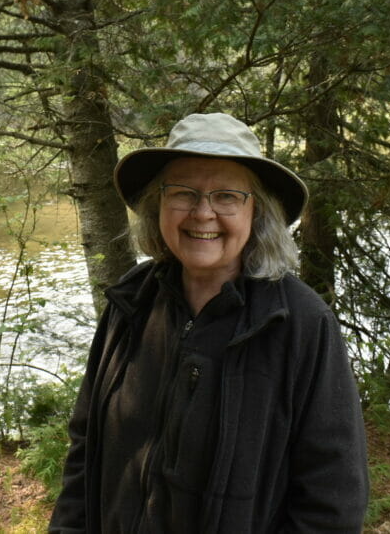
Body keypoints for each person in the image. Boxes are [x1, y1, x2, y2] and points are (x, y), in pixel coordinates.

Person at [49, 113, 369, 533]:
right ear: (157, 205)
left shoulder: (300, 323)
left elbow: (332, 498)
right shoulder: (132, 302)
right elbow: (85, 446)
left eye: (226, 196)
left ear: (256, 212)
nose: (203, 213)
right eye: (183, 192)